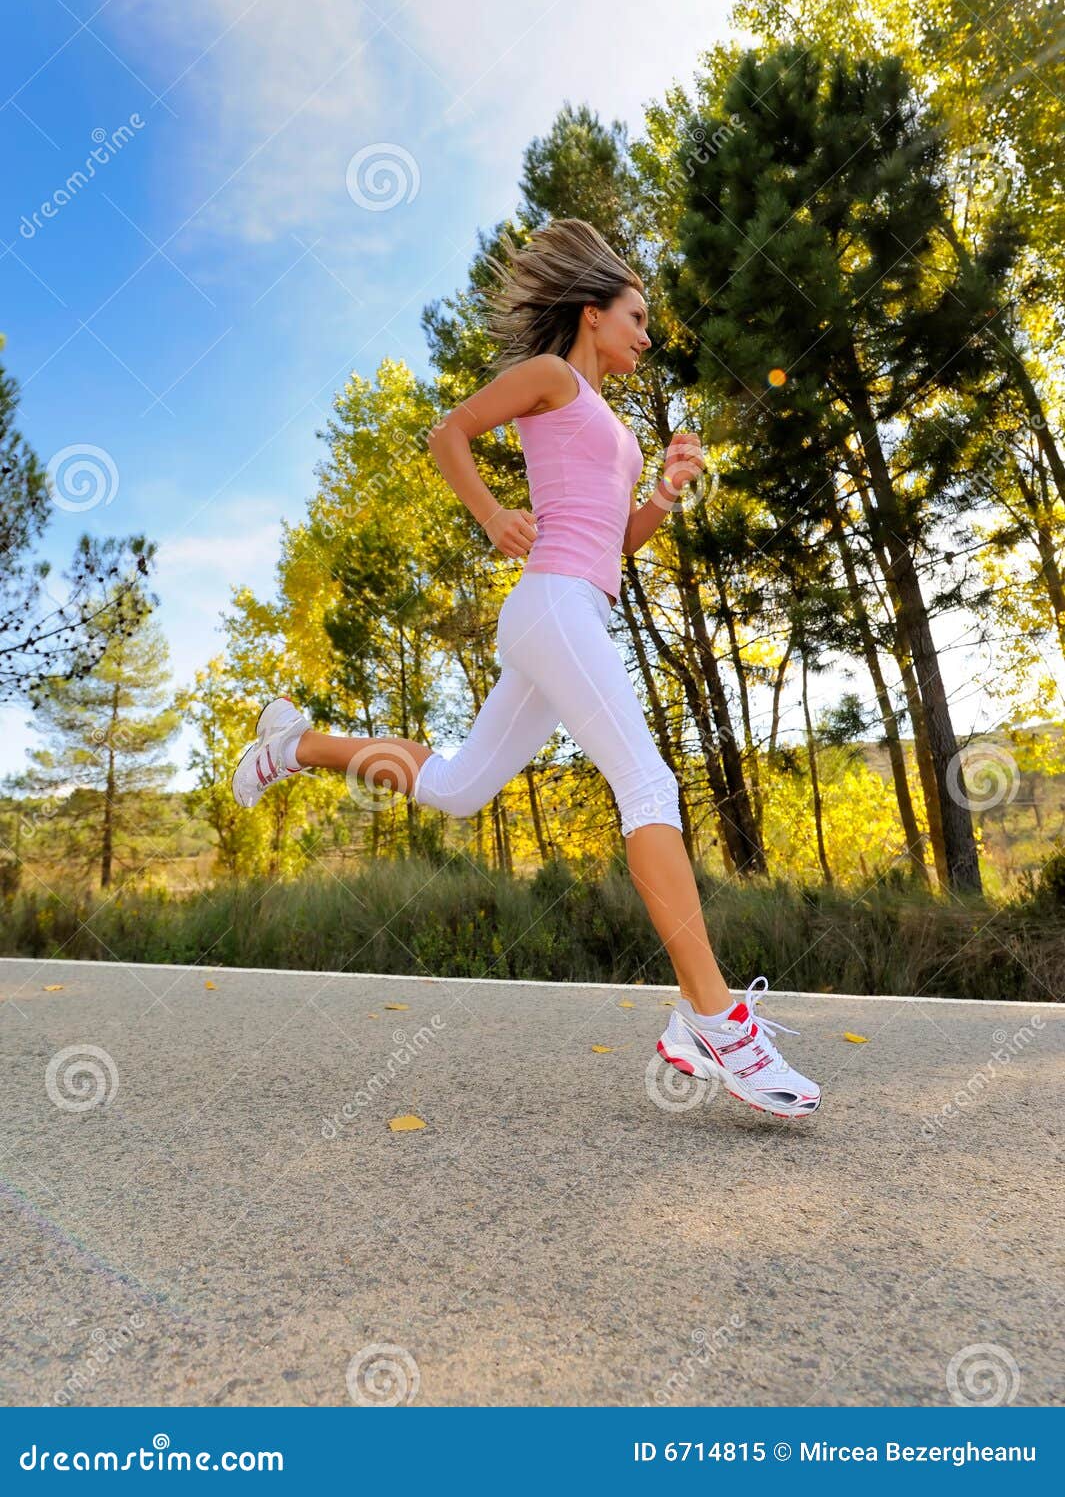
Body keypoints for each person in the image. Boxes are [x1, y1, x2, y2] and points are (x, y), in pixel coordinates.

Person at [231, 218, 820, 1119]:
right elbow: (447, 434)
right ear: (591, 314)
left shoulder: (615, 429)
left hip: (579, 607)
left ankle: (295, 743)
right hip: (548, 604)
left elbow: (614, 544)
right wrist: (489, 513)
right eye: (636, 316)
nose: (646, 334)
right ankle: (714, 1018)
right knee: (649, 786)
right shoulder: (550, 380)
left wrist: (662, 490)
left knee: (462, 787)